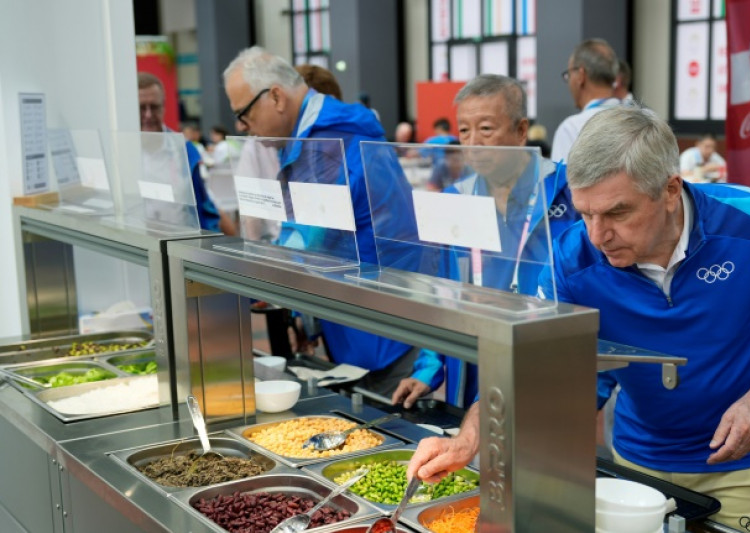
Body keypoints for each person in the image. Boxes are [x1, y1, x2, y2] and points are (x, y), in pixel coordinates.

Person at [408, 106, 750, 532]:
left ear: (670, 190)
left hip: (743, 464)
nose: (597, 235)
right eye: (585, 213)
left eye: (616, 213)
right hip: (636, 460)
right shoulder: (572, 258)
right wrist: (471, 436)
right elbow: (530, 362)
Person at [222, 46, 419, 395]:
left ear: (276, 97)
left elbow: (306, 240)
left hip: (381, 320)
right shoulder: (312, 136)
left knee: (384, 424)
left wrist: (251, 275)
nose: (242, 126)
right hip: (363, 311)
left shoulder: (327, 143)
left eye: (244, 114)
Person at [391, 74, 581, 410]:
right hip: (475, 360)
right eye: (464, 130)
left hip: (546, 358)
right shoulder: (456, 197)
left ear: (521, 131)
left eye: (486, 129)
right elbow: (443, 290)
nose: (473, 142)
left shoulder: (567, 190)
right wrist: (429, 367)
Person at [138, 72, 236, 235]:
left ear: (164, 106)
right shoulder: (122, 153)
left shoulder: (183, 150)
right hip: (135, 246)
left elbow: (205, 204)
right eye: (141, 107)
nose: (148, 115)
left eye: (154, 107)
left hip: (180, 244)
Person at [550, 39, 622, 163]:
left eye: (569, 74)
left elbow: (561, 181)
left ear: (581, 76)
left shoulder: (571, 129)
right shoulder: (647, 119)